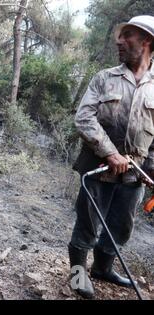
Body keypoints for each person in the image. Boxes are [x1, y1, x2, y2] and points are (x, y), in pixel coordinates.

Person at [69, 15, 154, 299]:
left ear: (147, 42)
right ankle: (77, 277)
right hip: (99, 166)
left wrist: (152, 174)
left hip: (135, 174)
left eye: (127, 35)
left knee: (121, 226)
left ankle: (102, 269)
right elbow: (84, 119)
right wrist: (111, 153)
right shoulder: (104, 78)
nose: (119, 40)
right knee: (88, 224)